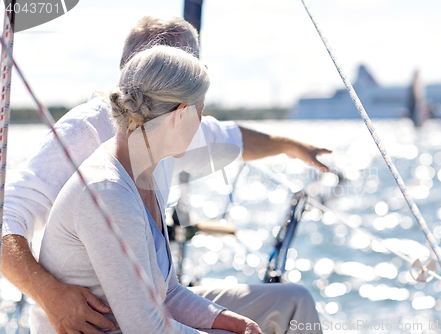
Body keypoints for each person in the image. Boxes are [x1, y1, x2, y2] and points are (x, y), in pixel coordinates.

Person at [1, 16, 328, 334]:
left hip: (143, 306)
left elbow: (231, 138)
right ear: (176, 105)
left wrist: (289, 145)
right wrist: (50, 295)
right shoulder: (93, 148)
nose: (201, 119)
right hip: (91, 321)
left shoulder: (149, 150)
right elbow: (7, 221)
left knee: (293, 302)